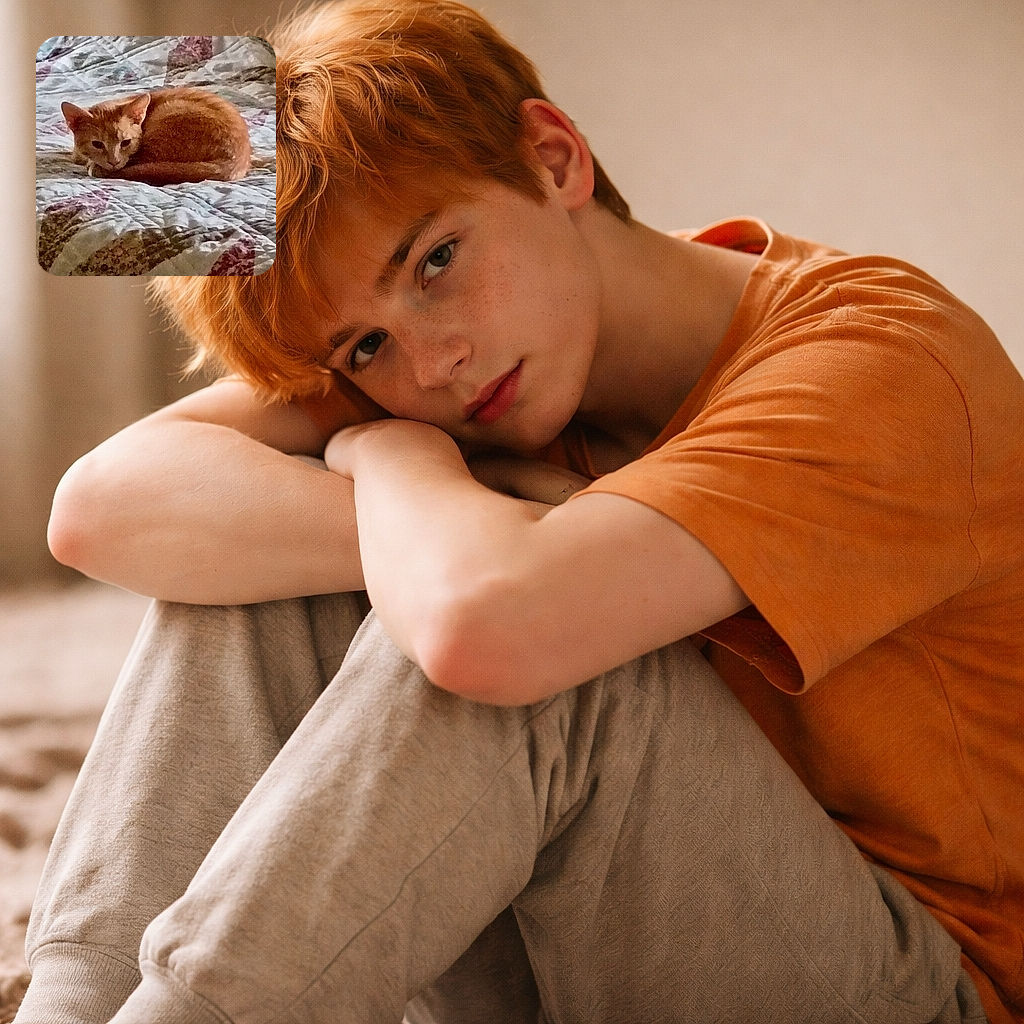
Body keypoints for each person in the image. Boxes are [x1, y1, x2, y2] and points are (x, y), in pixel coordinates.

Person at [16, 1, 1023, 1022]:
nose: (430, 361)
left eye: (435, 260)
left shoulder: (884, 368)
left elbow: (489, 626)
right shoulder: (475, 353)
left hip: (907, 980)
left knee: (534, 644)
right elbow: (100, 503)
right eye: (362, 349)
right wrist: (433, 492)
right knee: (260, 564)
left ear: (553, 159)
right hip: (580, 937)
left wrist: (398, 455)